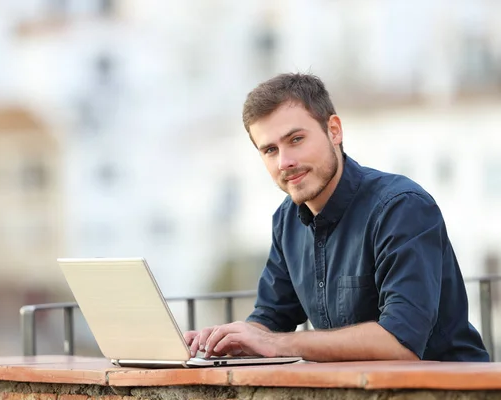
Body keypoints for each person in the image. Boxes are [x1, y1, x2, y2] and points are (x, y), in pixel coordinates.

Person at [184, 73, 489, 362]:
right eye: (270, 150)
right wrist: (232, 340)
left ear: (334, 130)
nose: (285, 162)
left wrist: (275, 344)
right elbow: (271, 318)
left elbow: (402, 341)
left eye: (296, 140)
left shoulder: (402, 207)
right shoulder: (286, 220)